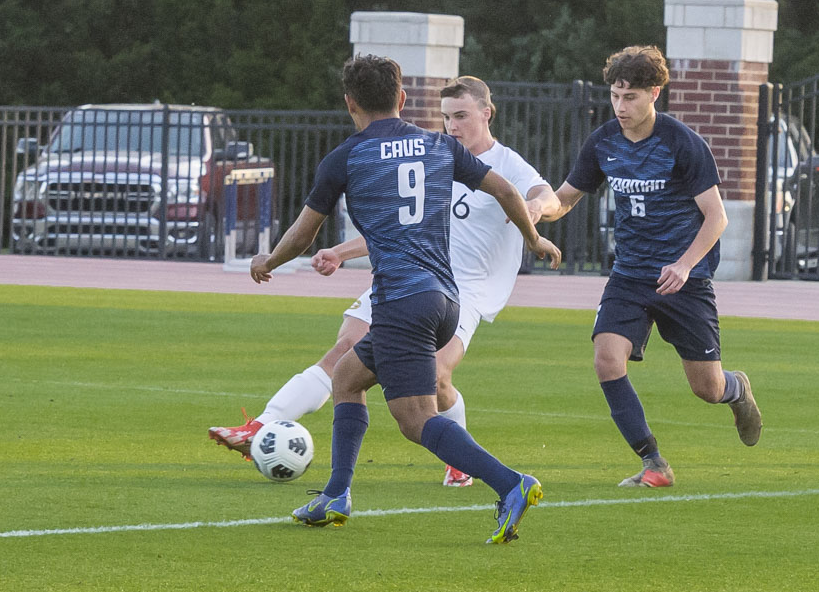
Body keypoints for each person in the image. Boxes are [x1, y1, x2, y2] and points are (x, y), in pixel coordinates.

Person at [249, 55, 561, 544]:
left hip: (401, 300)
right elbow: (504, 190)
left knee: (416, 420)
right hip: (445, 299)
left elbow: (304, 235)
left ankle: (511, 483)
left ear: (350, 103)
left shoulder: (346, 157)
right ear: (402, 99)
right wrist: (534, 239)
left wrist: (268, 260)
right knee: (347, 378)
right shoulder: (439, 145)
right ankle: (335, 494)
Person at [540, 45, 761, 488]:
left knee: (707, 389)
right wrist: (535, 208)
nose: (621, 107)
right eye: (616, 96)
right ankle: (654, 463)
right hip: (630, 275)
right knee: (607, 359)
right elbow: (565, 198)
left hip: (686, 281)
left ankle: (737, 389)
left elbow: (717, 217)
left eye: (631, 97)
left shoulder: (681, 142)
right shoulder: (603, 141)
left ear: (654, 93)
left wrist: (683, 264)